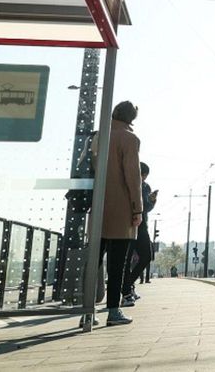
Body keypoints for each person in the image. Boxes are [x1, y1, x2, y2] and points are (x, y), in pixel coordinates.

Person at [96, 100, 143, 326]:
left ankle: (87, 309)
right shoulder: (130, 139)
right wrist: (138, 209)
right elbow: (133, 177)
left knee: (94, 259)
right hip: (122, 208)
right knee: (117, 264)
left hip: (97, 208)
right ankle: (113, 311)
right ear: (131, 119)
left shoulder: (99, 136)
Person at [121, 162, 156, 305]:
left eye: (145, 176)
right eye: (142, 175)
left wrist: (152, 201)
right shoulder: (126, 184)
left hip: (141, 226)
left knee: (147, 255)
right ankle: (126, 291)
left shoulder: (146, 187)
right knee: (125, 260)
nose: (143, 178)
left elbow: (145, 208)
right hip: (126, 225)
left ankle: (127, 285)